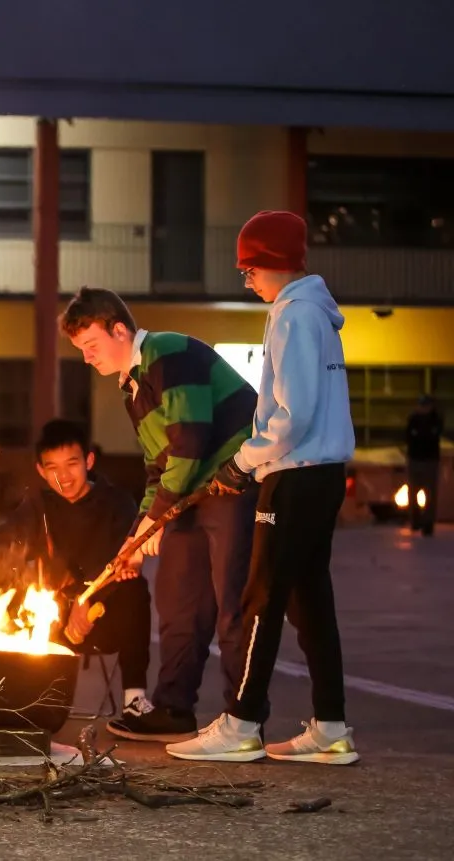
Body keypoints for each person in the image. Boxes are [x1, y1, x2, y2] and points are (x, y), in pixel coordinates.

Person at [168, 211, 360, 765]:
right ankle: (331, 726)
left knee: (261, 598)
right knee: (309, 599)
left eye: (249, 269)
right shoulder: (314, 315)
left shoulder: (293, 316)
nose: (247, 280)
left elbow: (291, 415)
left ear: (274, 264)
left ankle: (242, 723)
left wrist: (243, 465)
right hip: (319, 476)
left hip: (294, 475)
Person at [62, 286, 260, 742]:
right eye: (81, 351)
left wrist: (159, 516)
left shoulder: (169, 352)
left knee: (232, 603)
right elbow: (159, 468)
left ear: (119, 330)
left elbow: (190, 438)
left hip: (233, 482)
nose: (88, 358)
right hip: (190, 490)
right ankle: (173, 708)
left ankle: (244, 720)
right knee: (178, 601)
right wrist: (134, 542)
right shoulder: (131, 389)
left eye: (92, 346)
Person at [0, 419, 153, 721]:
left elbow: (120, 563)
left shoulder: (117, 503)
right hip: (51, 620)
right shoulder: (39, 507)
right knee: (2, 587)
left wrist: (86, 600)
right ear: (41, 471)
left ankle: (134, 698)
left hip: (104, 617)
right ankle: (7, 699)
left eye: (71, 464)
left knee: (134, 587)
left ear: (89, 460)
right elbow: (0, 544)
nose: (63, 477)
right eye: (53, 468)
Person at [405, 394, 444, 536]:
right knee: (414, 492)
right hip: (418, 459)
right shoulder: (414, 419)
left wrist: (419, 436)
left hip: (428, 460)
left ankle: (427, 523)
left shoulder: (434, 420)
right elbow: (412, 436)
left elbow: (416, 437)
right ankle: (416, 520)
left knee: (429, 493)